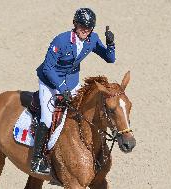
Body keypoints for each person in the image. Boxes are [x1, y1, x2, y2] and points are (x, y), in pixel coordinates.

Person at [31, 8, 115, 174]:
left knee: (82, 113)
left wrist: (111, 44)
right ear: (75, 24)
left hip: (72, 83)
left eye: (89, 27)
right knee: (48, 119)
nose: (85, 30)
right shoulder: (61, 41)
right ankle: (37, 159)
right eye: (82, 26)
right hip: (50, 82)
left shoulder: (92, 39)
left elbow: (110, 58)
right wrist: (62, 88)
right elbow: (48, 68)